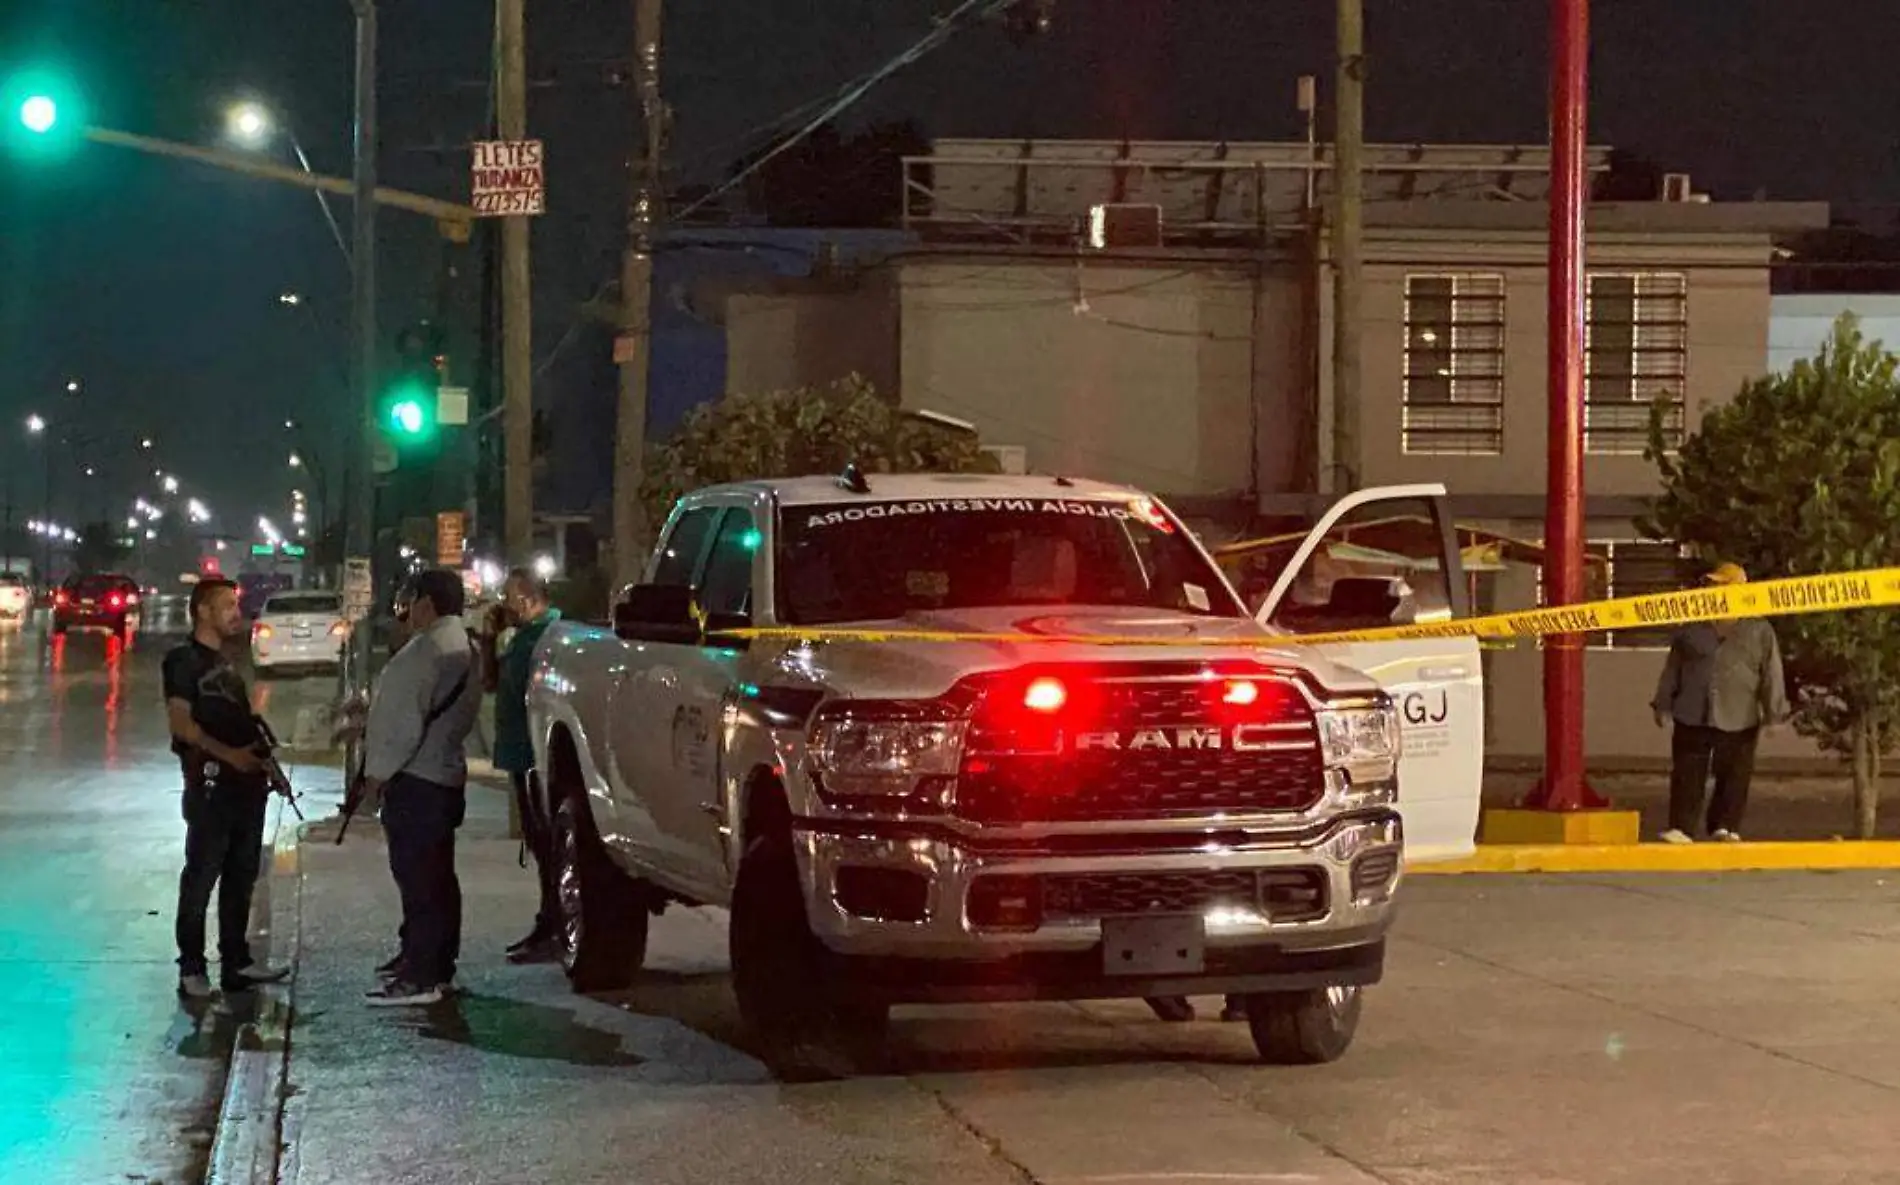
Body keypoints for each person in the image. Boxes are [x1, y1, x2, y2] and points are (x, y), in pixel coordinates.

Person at [361, 568, 482, 1006]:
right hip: (445, 774)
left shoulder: (425, 652)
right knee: (438, 878)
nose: (406, 610)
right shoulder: (465, 646)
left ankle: (422, 974)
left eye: (410, 601)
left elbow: (400, 726)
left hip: (417, 780)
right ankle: (431, 963)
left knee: (419, 879)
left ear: (426, 603)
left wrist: (375, 778)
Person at [164, 577, 290, 999]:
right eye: (226, 606)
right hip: (212, 788)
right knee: (201, 877)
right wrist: (227, 756)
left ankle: (236, 962)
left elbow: (245, 723)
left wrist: (267, 766)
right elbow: (182, 725)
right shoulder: (184, 662)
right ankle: (192, 968)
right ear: (202, 610)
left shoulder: (229, 663)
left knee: (241, 877)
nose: (236, 613)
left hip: (247, 790)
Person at [1651, 562, 1790, 844]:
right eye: (1712, 585)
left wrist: (1775, 714)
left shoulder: (1759, 630)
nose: (1714, 590)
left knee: (1735, 774)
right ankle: (1682, 827)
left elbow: (1771, 673)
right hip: (1692, 712)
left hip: (1740, 714)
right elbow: (1673, 668)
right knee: (1687, 772)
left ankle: (1725, 827)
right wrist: (1662, 705)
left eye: (1721, 585)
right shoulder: (1691, 627)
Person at [482, 568, 563, 964]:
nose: (503, 603)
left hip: (536, 757)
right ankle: (548, 921)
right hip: (521, 754)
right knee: (539, 841)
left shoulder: (546, 638)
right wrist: (490, 640)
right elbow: (492, 682)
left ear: (526, 599)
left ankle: (555, 924)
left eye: (508, 596)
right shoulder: (523, 637)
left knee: (548, 844)